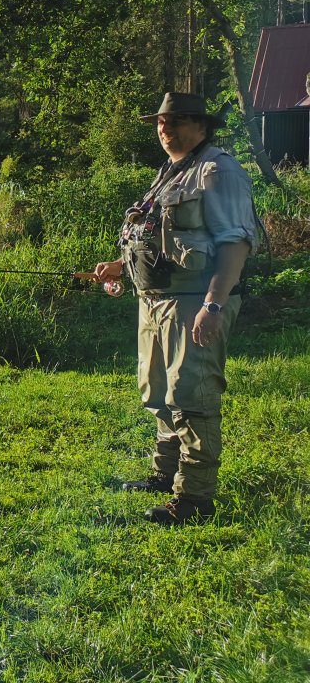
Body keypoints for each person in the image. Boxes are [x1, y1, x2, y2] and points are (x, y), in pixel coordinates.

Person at [93, 92, 257, 525]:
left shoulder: (218, 171)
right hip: (155, 301)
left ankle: (194, 500)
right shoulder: (171, 170)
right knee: (158, 393)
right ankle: (164, 475)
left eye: (177, 121)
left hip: (195, 304)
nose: (166, 129)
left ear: (202, 127)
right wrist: (120, 266)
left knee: (192, 397)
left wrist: (213, 305)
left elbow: (235, 243)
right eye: (162, 122)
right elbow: (162, 237)